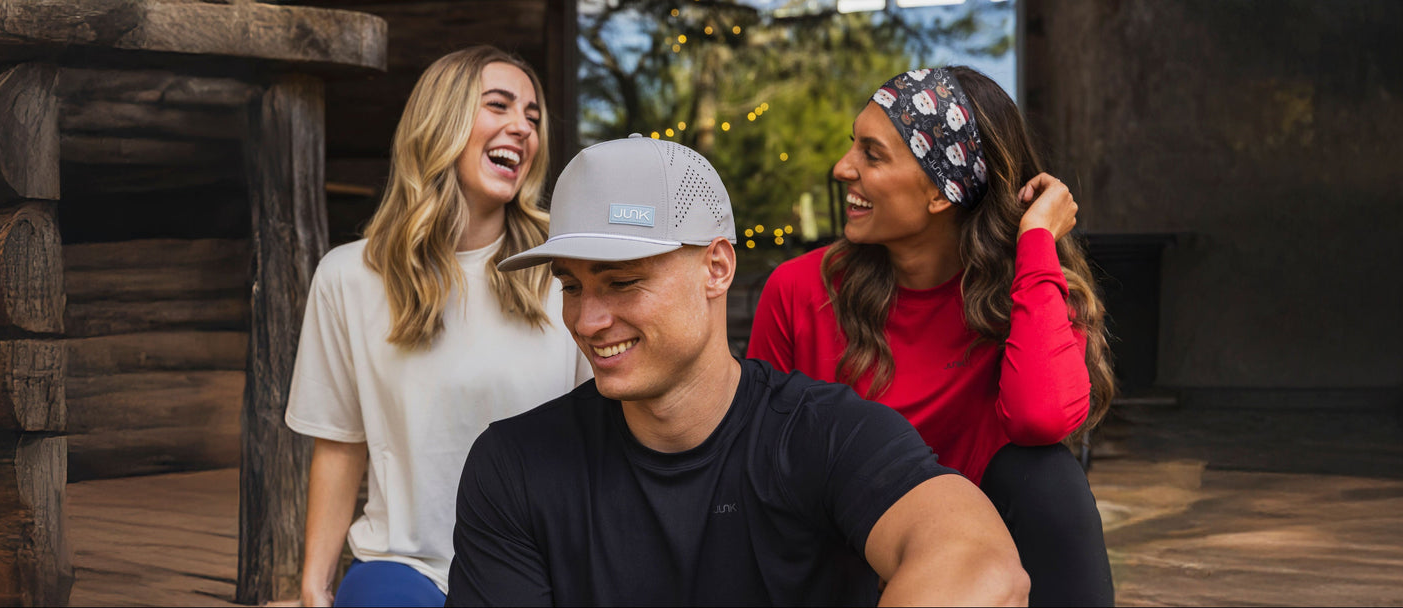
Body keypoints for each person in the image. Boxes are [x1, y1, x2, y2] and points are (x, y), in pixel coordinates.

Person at [444, 135, 1028, 606]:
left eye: (622, 282)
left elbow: (981, 567)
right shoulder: (516, 466)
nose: (588, 320)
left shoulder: (824, 434)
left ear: (717, 268)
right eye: (571, 287)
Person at [747, 66, 1118, 606]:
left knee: (1048, 478)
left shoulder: (1029, 291)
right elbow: (758, 466)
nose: (842, 168)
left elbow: (1041, 419)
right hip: (842, 554)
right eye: (853, 145)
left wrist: (1036, 240)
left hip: (975, 569)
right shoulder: (800, 290)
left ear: (941, 194)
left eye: (872, 155)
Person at [283, 46, 588, 608]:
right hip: (402, 567)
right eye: (498, 105)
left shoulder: (564, 271)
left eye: (533, 116)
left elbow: (607, 434)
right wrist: (314, 588)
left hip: (536, 562)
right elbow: (340, 444)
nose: (523, 127)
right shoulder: (348, 277)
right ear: (440, 120)